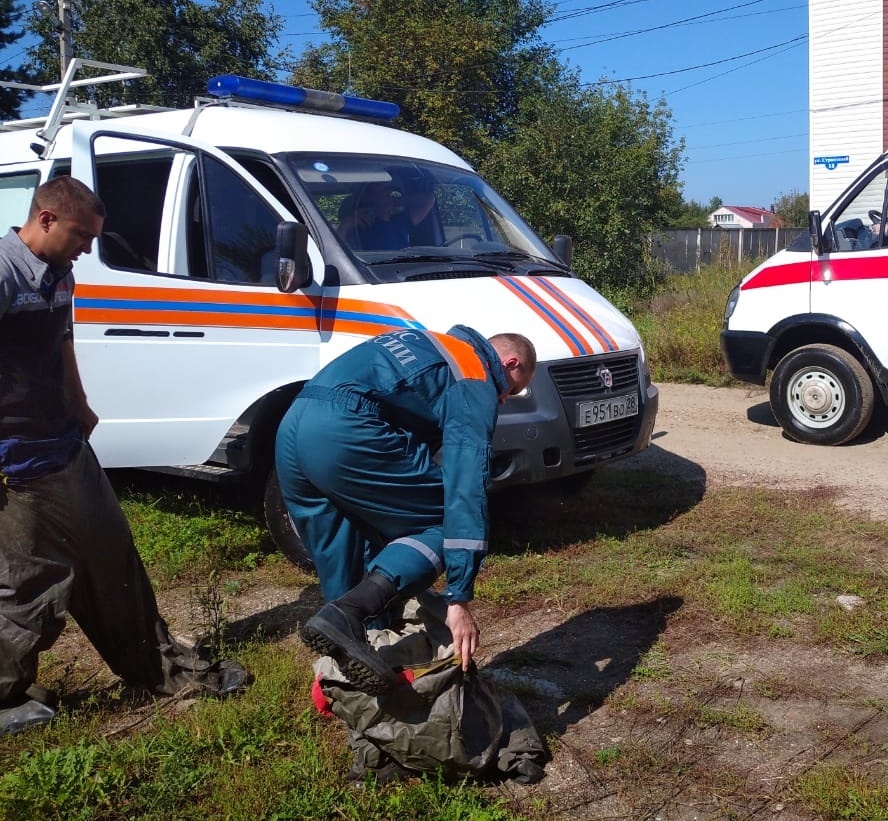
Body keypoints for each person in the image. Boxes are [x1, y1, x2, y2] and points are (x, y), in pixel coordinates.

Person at [0, 176, 250, 736]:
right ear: (44, 220)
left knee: (113, 558)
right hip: (13, 462)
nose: (89, 249)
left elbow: (62, 338)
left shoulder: (59, 273)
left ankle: (155, 667)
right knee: (29, 583)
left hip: (62, 444)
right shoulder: (3, 271)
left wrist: (80, 402)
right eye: (82, 236)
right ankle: (4, 696)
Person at [275, 326, 537, 693]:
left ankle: (343, 672)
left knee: (343, 544)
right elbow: (465, 485)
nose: (504, 400)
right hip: (346, 431)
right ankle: (350, 613)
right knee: (447, 519)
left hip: (294, 424)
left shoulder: (429, 342)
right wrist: (458, 596)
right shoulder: (475, 375)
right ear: (509, 363)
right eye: (511, 390)